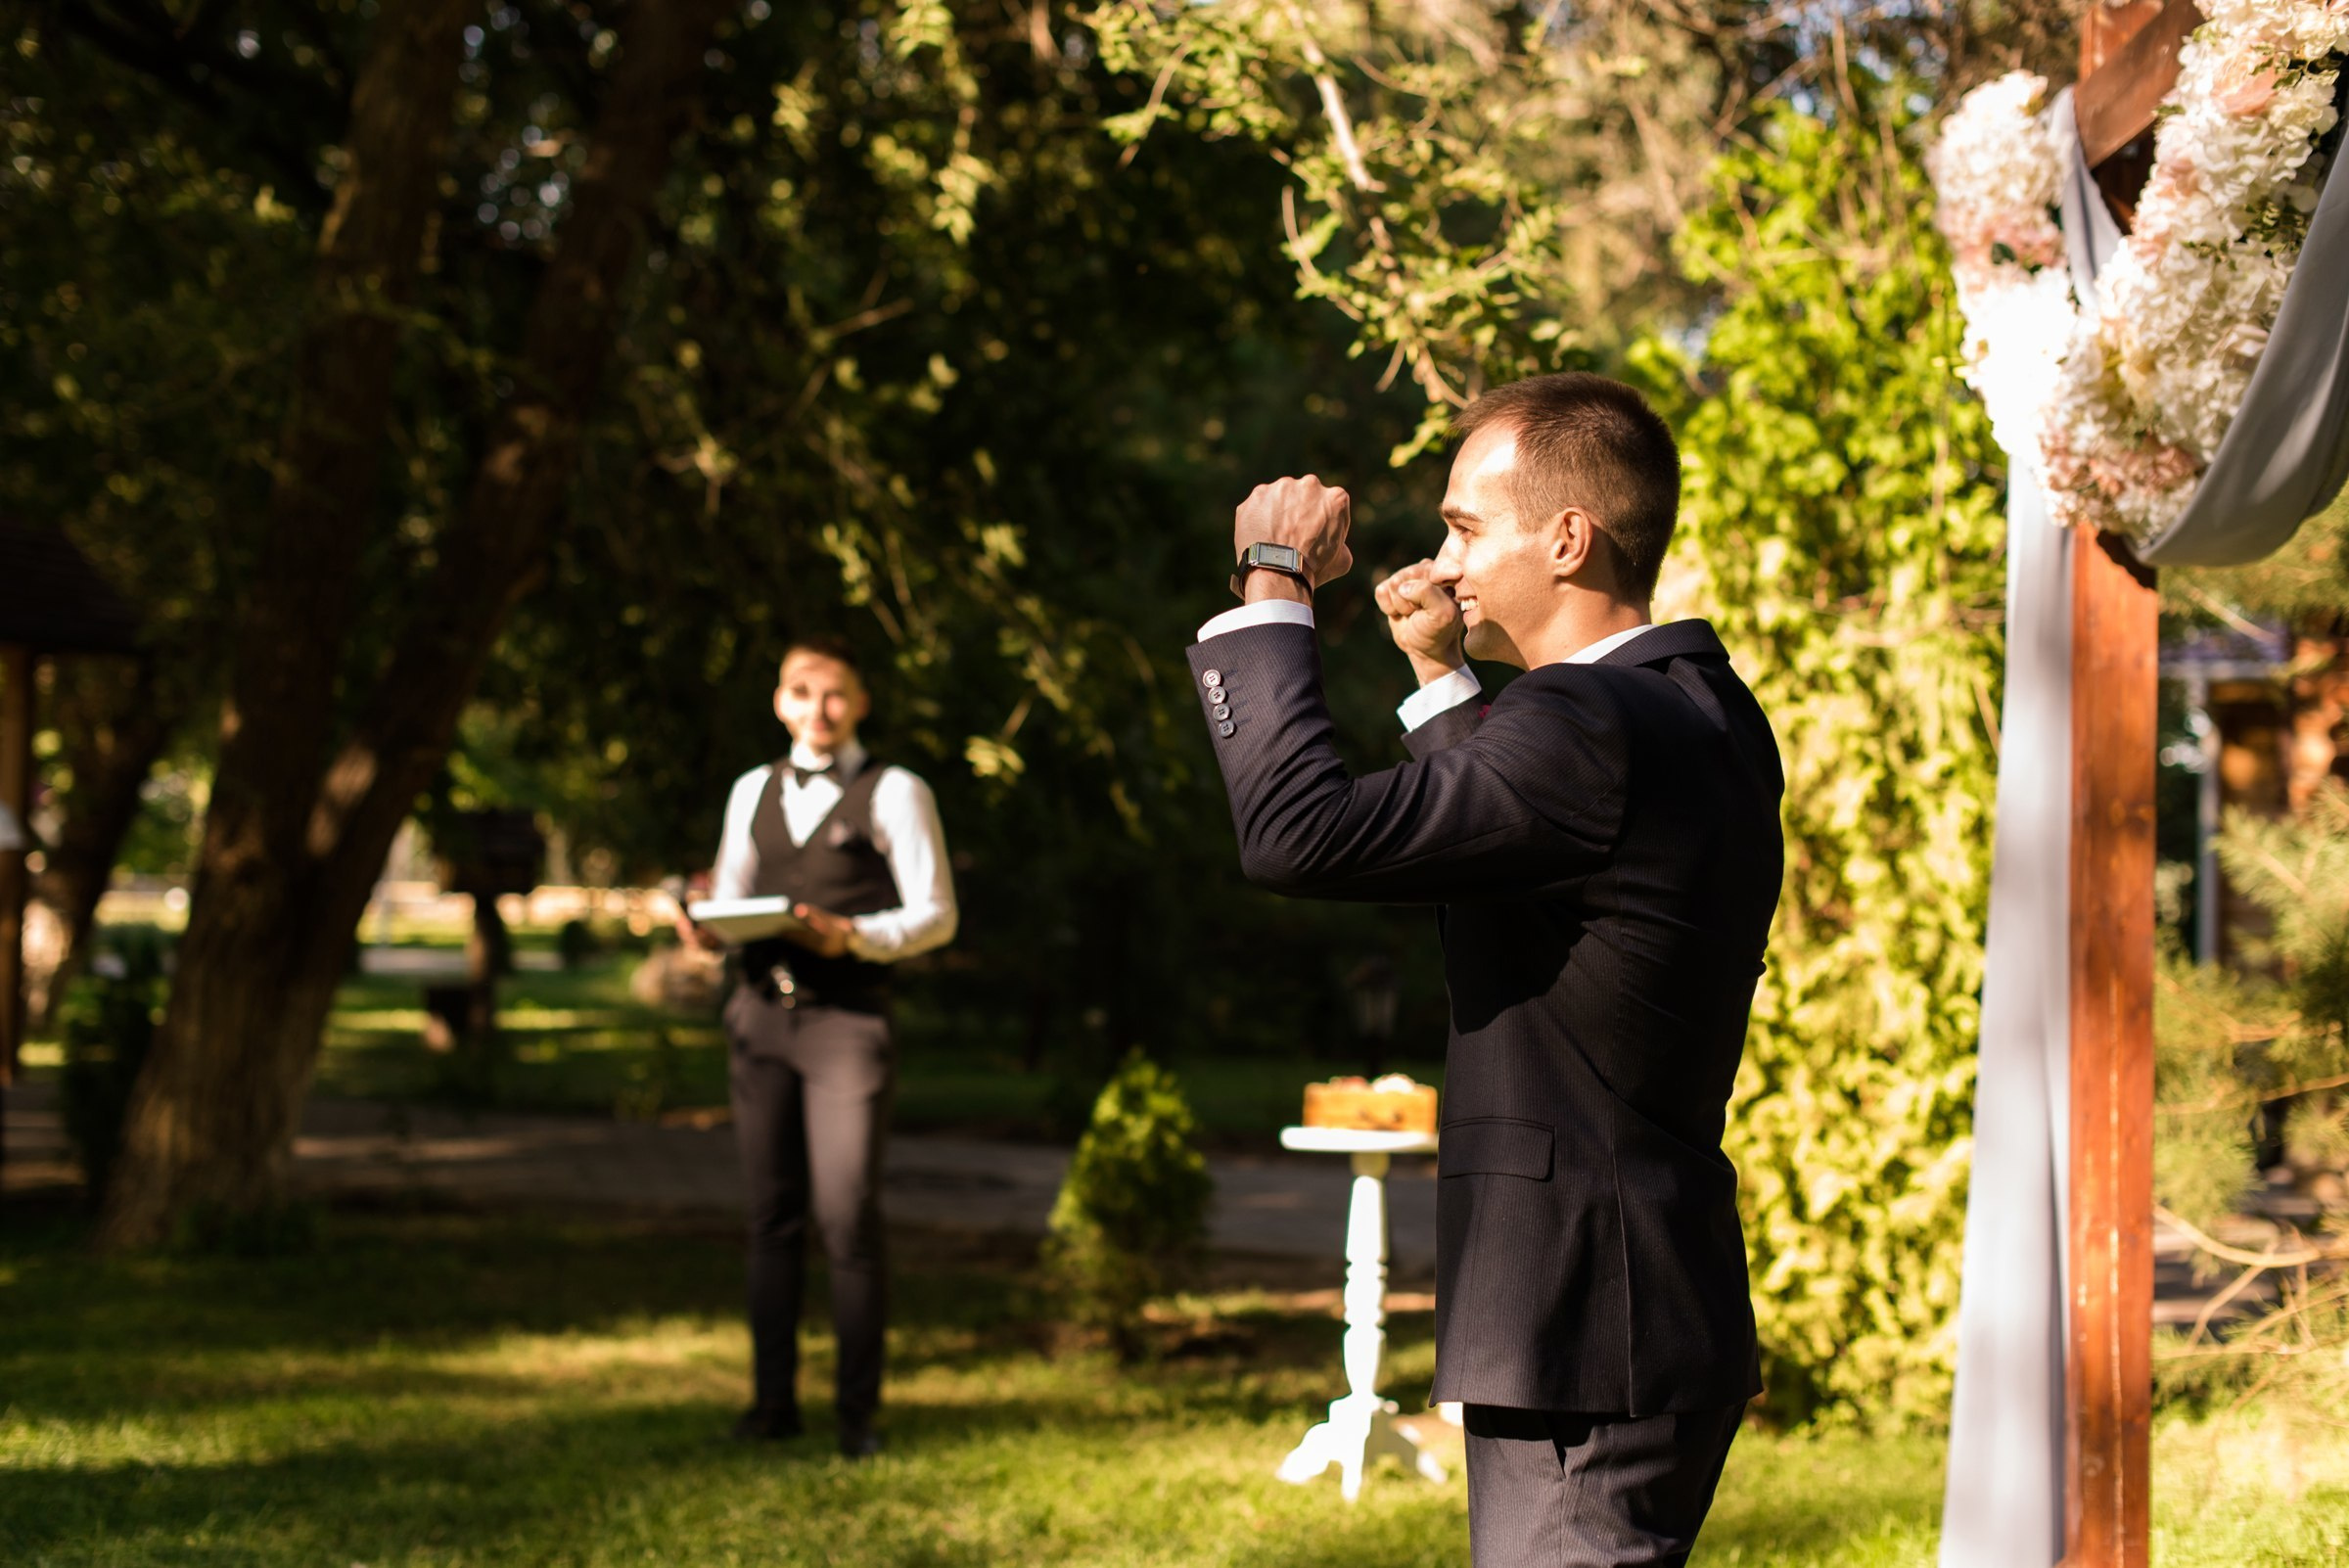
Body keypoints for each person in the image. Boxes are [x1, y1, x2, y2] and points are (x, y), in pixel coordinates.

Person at [1187, 373, 1783, 1566]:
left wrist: (1272, 580)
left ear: (1567, 538)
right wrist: (1443, 681)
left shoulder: (1591, 724)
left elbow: (1297, 836)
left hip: (1581, 1322)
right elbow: (1546, 871)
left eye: (1466, 525)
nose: (1445, 559)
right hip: (1632, 1301)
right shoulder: (1698, 707)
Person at [677, 635, 957, 1457]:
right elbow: (730, 901)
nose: (818, 709)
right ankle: (771, 1406)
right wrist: (702, 924)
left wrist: (853, 937)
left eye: (834, 694)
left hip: (848, 1024)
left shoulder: (895, 791)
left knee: (848, 1217)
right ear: (779, 700)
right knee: (769, 1218)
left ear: (861, 701)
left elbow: (936, 913)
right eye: (801, 692)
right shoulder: (750, 790)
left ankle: (857, 1419)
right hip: (760, 1018)